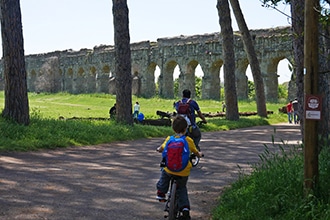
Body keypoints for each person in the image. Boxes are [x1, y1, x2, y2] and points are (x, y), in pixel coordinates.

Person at [156, 116, 203, 220]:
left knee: (164, 173)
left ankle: (161, 192)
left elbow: (161, 149)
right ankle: (185, 208)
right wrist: (200, 154)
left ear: (173, 129)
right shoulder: (189, 140)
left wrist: (158, 149)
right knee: (182, 188)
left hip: (169, 169)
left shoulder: (169, 139)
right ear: (186, 128)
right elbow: (196, 152)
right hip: (183, 171)